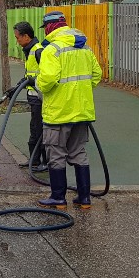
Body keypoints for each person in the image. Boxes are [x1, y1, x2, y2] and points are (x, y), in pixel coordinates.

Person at [35, 11, 102, 210]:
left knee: (56, 154)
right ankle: (84, 198)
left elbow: (47, 80)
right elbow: (96, 74)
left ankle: (58, 198)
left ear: (50, 27)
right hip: (82, 112)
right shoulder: (85, 47)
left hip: (58, 113)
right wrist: (79, 92)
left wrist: (37, 84)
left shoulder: (52, 49)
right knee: (78, 152)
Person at [13, 21, 48, 172]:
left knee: (40, 130)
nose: (17, 41)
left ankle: (45, 163)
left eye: (18, 37)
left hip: (41, 99)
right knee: (34, 128)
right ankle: (34, 160)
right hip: (33, 98)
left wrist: (33, 82)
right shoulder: (30, 50)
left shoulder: (38, 51)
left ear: (26, 36)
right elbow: (30, 74)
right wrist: (18, 85)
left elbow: (47, 75)